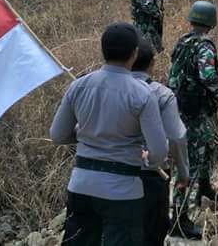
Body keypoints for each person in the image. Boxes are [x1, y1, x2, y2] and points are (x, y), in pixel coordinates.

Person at [50, 22, 168, 245]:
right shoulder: (142, 94)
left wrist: (88, 134)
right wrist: (149, 159)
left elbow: (57, 135)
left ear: (102, 51)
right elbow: (159, 152)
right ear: (134, 54)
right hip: (123, 191)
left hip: (81, 186)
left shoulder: (79, 85)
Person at [167, 1, 218, 239]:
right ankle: (179, 220)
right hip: (192, 112)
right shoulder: (204, 47)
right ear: (211, 22)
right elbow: (208, 75)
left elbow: (174, 74)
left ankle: (205, 188)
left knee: (207, 143)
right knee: (190, 162)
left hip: (179, 107)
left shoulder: (183, 41)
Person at [131, 39, 192, 245]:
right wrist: (183, 174)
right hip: (153, 176)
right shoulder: (161, 93)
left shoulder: (107, 89)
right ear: (152, 64)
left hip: (113, 173)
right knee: (152, 234)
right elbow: (176, 137)